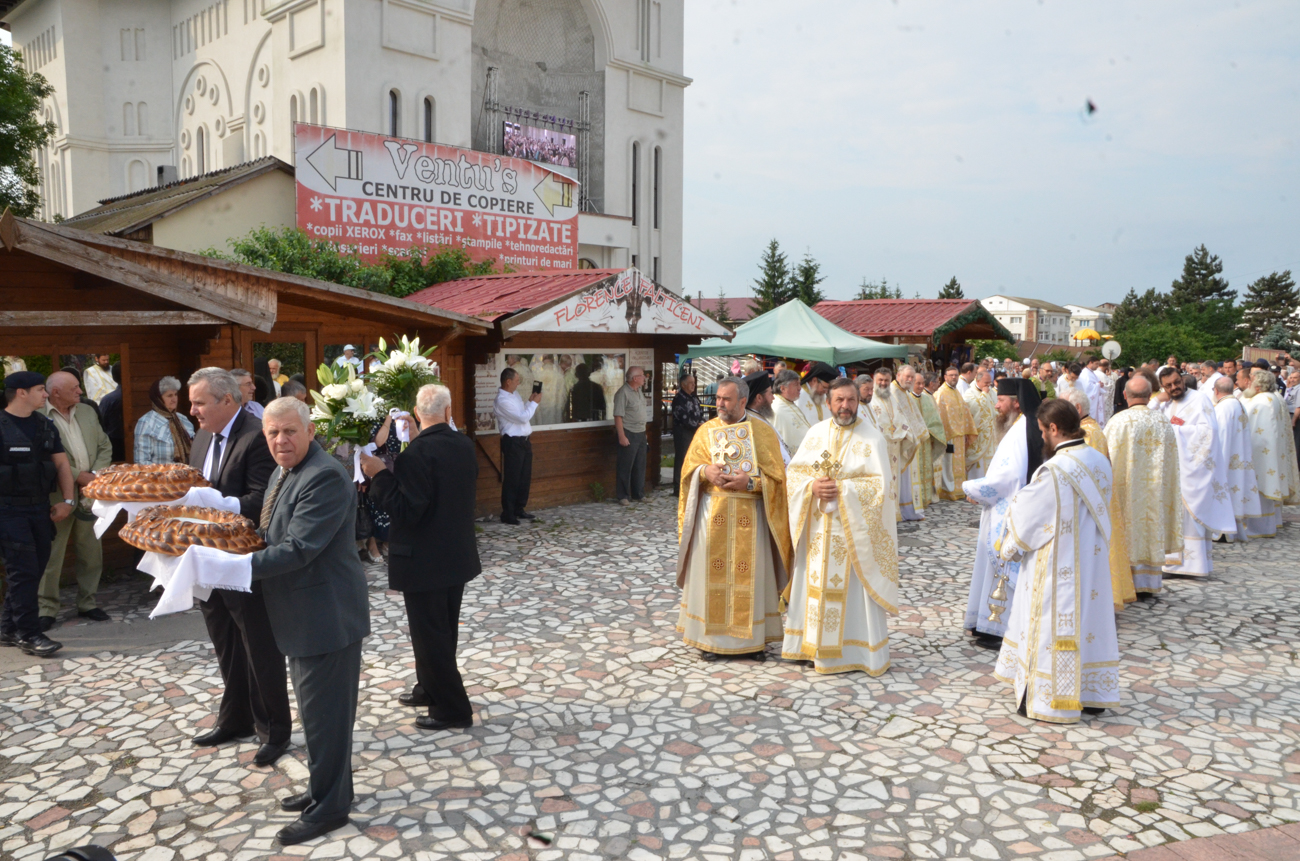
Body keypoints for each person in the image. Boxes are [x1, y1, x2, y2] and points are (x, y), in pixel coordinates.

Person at [251, 397, 370, 845]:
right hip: (301, 617)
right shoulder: (285, 472)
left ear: (310, 431)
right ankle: (327, 789)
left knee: (326, 719)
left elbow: (299, 548)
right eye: (272, 433)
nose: (280, 441)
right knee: (319, 717)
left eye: (289, 431)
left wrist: (232, 567)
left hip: (326, 617)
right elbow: (269, 534)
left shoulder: (323, 476)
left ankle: (330, 809)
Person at [992, 399, 1120, 724]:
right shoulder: (1099, 460)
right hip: (1092, 565)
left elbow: (1029, 517)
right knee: (1090, 624)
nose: (1042, 440)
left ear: (1053, 429)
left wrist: (1010, 513)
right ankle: (1090, 694)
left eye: (1042, 432)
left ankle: (1047, 697)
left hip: (1058, 566)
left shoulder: (1055, 470)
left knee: (1051, 627)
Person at [186, 368, 290, 765]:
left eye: (199, 403)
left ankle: (273, 730)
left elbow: (264, 499)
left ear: (227, 400)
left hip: (245, 560)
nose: (192, 410)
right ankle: (236, 719)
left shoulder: (256, 435)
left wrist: (216, 504)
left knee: (258, 647)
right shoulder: (201, 435)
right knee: (225, 641)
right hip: (206, 558)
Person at [362, 385, 479, 731]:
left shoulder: (416, 455)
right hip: (454, 553)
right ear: (448, 411)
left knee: (430, 637)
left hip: (424, 558)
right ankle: (430, 687)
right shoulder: (463, 444)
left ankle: (453, 708)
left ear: (415, 412)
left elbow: (406, 510)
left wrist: (380, 475)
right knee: (441, 631)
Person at [782, 377, 898, 676]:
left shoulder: (872, 438)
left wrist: (844, 491)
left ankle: (856, 651)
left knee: (852, 594)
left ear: (858, 401)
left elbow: (881, 487)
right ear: (829, 402)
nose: (845, 406)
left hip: (853, 536)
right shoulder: (815, 433)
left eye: (851, 400)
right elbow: (793, 476)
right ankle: (808, 647)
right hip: (818, 532)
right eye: (839, 400)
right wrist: (811, 487)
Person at [675, 377, 792, 662]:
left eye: (726, 399)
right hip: (713, 517)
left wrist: (750, 483)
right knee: (710, 576)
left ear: (742, 400)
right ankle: (710, 641)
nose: (720, 404)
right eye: (717, 399)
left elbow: (779, 480)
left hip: (750, 520)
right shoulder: (705, 431)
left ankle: (753, 643)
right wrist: (705, 472)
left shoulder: (763, 433)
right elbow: (688, 472)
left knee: (752, 579)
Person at [961, 378, 1043, 650]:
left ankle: (1000, 628)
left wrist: (971, 487)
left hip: (1008, 510)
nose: (996, 405)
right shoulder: (1022, 426)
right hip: (1010, 506)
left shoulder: (1020, 431)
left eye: (1001, 400)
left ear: (1016, 402)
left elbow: (1006, 477)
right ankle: (987, 624)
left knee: (1003, 566)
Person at [0, 372, 75, 657]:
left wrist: (67, 500)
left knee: (33, 569)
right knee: (24, 572)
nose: (46, 395)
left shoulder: (45, 425)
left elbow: (61, 465)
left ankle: (8, 629)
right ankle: (29, 634)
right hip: (8, 511)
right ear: (21, 392)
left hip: (40, 509)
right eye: (40, 389)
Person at [36, 371, 113, 628]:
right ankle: (46, 609)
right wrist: (80, 477)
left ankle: (88, 603)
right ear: (55, 392)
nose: (80, 391)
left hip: (90, 493)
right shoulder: (38, 417)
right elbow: (46, 458)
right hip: (56, 496)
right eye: (75, 387)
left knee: (91, 552)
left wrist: (96, 476)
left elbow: (104, 445)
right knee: (51, 555)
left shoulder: (87, 412)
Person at [1153, 366, 1237, 575]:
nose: (1174, 387)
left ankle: (1192, 565)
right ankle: (1170, 563)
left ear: (1182, 379)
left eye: (1176, 382)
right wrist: (1156, 401)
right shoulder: (1166, 403)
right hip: (1172, 470)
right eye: (1168, 386)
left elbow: (1208, 432)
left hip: (1192, 470)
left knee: (1189, 518)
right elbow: (1151, 421)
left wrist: (1175, 429)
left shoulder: (1199, 400)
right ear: (1163, 387)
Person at [1104, 375, 1181, 598]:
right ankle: (1148, 582)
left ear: (1125, 395)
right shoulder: (1162, 422)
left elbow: (1106, 459)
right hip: (1154, 493)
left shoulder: (1118, 422)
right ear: (1150, 396)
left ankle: (1125, 583)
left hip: (1125, 493)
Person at [1242, 369, 1300, 538]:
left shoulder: (1260, 402)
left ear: (1258, 385)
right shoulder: (1273, 397)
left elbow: (1252, 428)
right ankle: (1269, 524)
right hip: (1271, 453)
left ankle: (1258, 527)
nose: (1248, 384)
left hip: (1261, 454)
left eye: (1251, 381)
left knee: (1261, 488)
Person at [1210, 375, 1261, 541]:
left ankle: (1222, 532)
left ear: (1216, 391)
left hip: (1225, 459)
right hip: (1236, 458)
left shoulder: (1223, 408)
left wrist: (1217, 462)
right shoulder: (1237, 404)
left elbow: (1221, 436)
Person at [869, 366, 920, 521]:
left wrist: (907, 433)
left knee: (893, 479)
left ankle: (893, 512)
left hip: (895, 447)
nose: (883, 383)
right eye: (880, 380)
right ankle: (881, 514)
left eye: (886, 380)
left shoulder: (892, 397)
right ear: (874, 380)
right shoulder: (869, 399)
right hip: (880, 447)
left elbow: (900, 417)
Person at [494, 366, 541, 524]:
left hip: (524, 440)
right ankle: (508, 513)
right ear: (508, 382)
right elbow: (522, 418)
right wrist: (534, 404)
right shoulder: (502, 400)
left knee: (524, 477)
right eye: (516, 381)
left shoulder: (514, 395)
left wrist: (529, 401)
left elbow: (523, 413)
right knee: (512, 478)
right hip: (513, 441)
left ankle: (519, 508)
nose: (518, 384)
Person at [893, 366, 930, 520]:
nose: (910, 380)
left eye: (912, 377)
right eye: (907, 376)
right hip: (899, 442)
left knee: (908, 478)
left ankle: (908, 509)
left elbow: (914, 415)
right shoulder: (892, 392)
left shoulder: (905, 393)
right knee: (901, 478)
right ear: (898, 375)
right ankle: (900, 510)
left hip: (909, 440)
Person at [934, 367, 976, 501]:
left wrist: (967, 431)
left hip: (959, 435)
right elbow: (939, 415)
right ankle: (948, 491)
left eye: (956, 375)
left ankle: (958, 489)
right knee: (948, 464)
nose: (954, 378)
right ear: (945, 377)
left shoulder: (956, 391)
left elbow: (964, 411)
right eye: (951, 375)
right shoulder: (941, 393)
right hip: (949, 435)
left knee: (957, 464)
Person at [134, 376, 195, 465]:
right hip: (160, 477)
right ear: (158, 399)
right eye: (169, 395)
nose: (174, 399)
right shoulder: (146, 423)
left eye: (176, 394)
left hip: (187, 475)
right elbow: (141, 462)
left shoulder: (183, 419)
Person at [613, 366, 649, 506]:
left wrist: (645, 435)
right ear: (635, 378)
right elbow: (618, 416)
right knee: (625, 465)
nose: (644, 378)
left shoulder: (638, 391)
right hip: (629, 432)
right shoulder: (623, 393)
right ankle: (623, 495)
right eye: (642, 375)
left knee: (640, 464)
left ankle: (638, 493)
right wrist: (621, 436)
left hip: (640, 432)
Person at [670, 372, 704, 497]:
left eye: (694, 383)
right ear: (683, 385)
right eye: (690, 383)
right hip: (683, 432)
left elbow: (700, 412)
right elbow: (683, 417)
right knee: (682, 458)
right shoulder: (679, 399)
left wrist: (702, 424)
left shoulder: (694, 398)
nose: (693, 385)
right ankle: (678, 487)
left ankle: (691, 485)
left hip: (695, 431)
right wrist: (696, 425)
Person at [963, 369, 997, 480]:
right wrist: (984, 395)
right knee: (977, 467)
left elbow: (995, 408)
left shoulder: (992, 392)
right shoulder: (969, 392)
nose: (988, 385)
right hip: (978, 436)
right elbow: (973, 409)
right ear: (978, 381)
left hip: (991, 435)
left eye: (990, 382)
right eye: (986, 383)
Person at [772, 369, 813, 454]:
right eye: (796, 385)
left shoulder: (787, 402)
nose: (799, 388)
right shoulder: (778, 408)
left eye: (799, 384)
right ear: (783, 388)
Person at [1063, 389, 1107, 457]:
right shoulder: (1091, 425)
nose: (1058, 413)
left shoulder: (1084, 433)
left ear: (1078, 408)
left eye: (1063, 407)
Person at [97, 364, 125, 462]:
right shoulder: (110, 399)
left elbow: (100, 422)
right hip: (116, 441)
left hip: (114, 443)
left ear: (113, 378)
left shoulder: (108, 399)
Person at [796, 362, 837, 427]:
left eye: (828, 389)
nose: (826, 392)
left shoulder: (821, 394)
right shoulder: (798, 396)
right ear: (814, 380)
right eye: (824, 388)